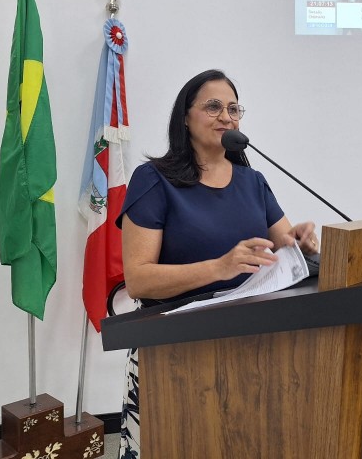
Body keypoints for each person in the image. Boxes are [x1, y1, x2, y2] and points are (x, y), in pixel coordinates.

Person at [115, 69, 319, 459]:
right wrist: (219, 267)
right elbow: (138, 280)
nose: (226, 116)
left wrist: (303, 241)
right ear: (185, 118)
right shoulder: (153, 180)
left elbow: (285, 245)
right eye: (213, 107)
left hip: (251, 345)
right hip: (174, 347)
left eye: (233, 108)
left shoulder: (252, 181)